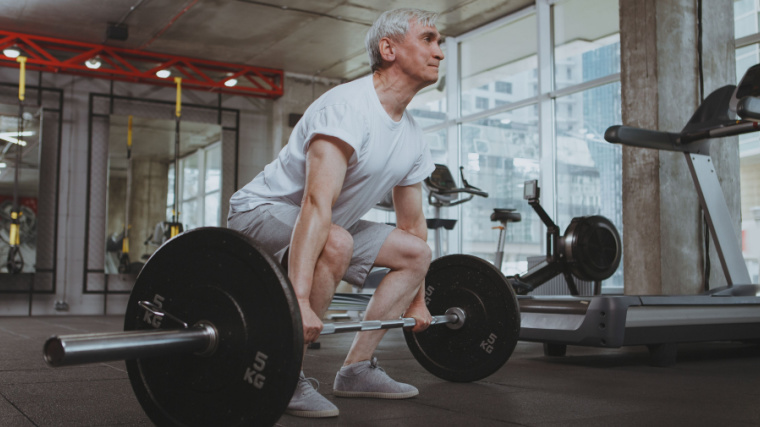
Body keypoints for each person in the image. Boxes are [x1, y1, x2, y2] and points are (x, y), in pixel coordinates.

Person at [227, 7, 444, 418]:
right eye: (429, 39)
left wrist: (418, 302)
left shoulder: (413, 135)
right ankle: (285, 374)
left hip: (322, 223)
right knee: (336, 240)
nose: (440, 52)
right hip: (260, 211)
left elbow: (413, 226)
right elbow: (315, 203)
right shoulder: (347, 107)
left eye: (440, 42)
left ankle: (357, 369)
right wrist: (303, 301)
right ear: (389, 49)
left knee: (416, 253)